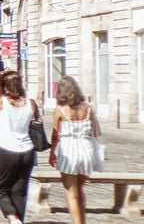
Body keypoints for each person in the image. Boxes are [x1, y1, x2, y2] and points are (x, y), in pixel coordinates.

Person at [0, 70, 37, 224]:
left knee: (0, 189)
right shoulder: (31, 103)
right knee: (19, 191)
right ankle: (18, 220)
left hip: (8, 150)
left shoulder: (1, 101)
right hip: (28, 151)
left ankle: (13, 218)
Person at [49, 76, 100, 224]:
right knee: (79, 190)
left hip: (69, 150)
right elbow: (96, 131)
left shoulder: (60, 110)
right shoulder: (88, 108)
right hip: (86, 149)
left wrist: (52, 153)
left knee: (71, 193)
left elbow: (55, 135)